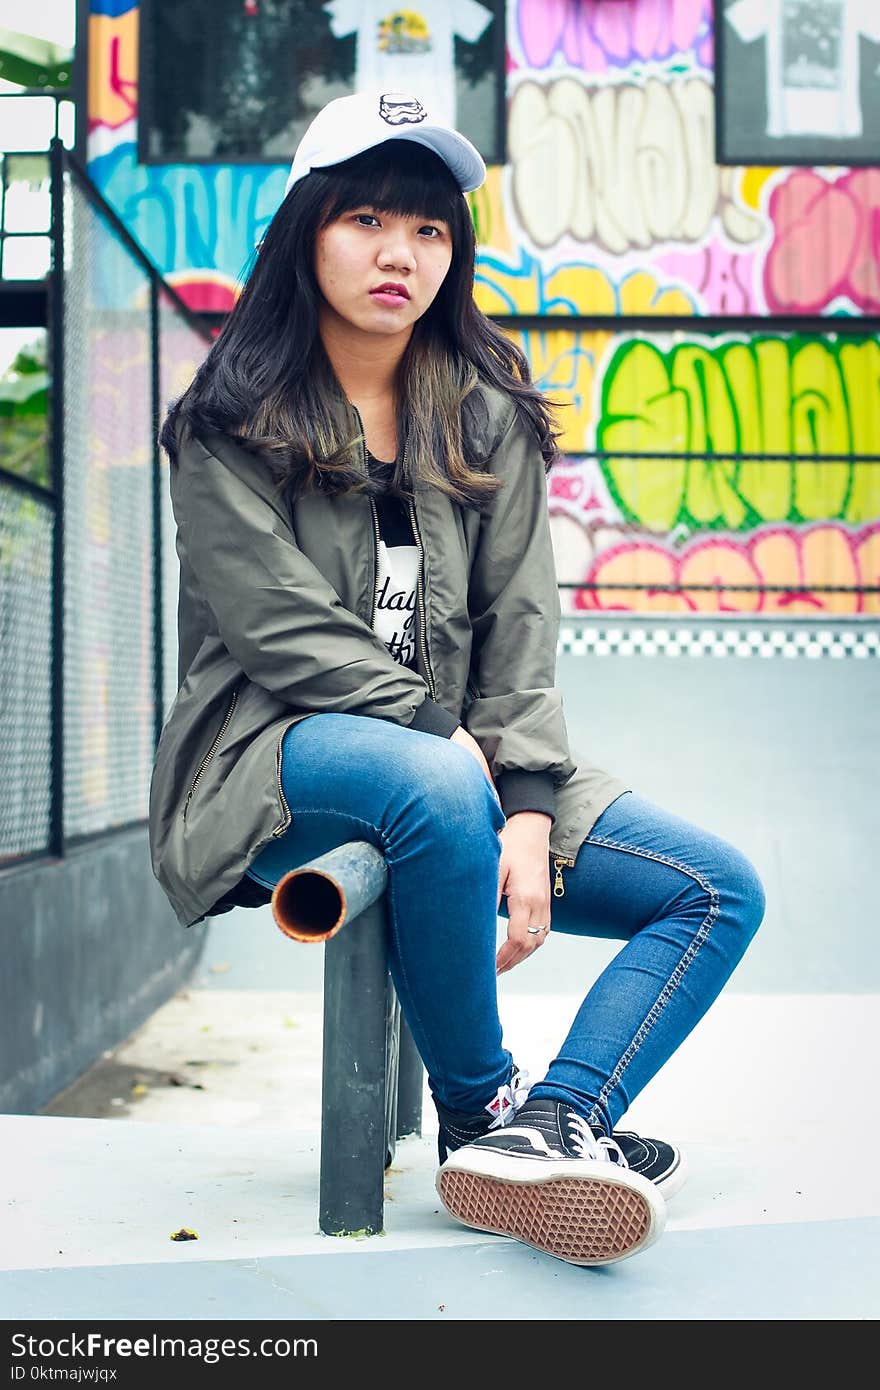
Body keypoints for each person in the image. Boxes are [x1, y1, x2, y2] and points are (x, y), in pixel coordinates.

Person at [149, 89, 765, 1269]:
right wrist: (452, 744)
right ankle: (479, 1114)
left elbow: (519, 627)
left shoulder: (485, 413)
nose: (400, 254)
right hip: (266, 757)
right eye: (368, 219)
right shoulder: (227, 422)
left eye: (429, 229)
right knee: (429, 779)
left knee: (711, 887)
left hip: (466, 766)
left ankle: (557, 1115)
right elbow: (279, 628)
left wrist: (528, 807)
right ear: (305, 231)